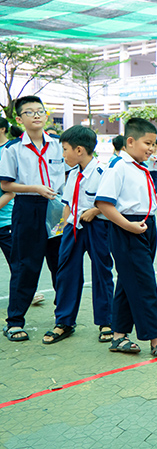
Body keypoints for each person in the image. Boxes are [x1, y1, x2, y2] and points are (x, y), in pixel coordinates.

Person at [95, 118, 157, 361]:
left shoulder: (139, 166)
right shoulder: (118, 166)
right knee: (144, 284)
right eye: (148, 143)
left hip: (145, 227)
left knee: (128, 281)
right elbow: (103, 203)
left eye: (154, 144)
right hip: (127, 229)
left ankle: (118, 335)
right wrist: (128, 226)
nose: (152, 149)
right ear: (130, 141)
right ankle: (155, 340)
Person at [0, 96, 65, 342]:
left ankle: (64, 319)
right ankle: (15, 321)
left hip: (57, 209)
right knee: (25, 265)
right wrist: (35, 188)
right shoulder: (13, 149)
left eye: (40, 111)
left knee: (60, 264)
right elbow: (6, 184)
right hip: (28, 209)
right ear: (19, 119)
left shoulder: (59, 145)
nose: (36, 115)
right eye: (30, 112)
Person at [42, 125, 114, 344]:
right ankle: (64, 321)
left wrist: (95, 211)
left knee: (101, 272)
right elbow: (67, 204)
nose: (63, 155)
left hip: (97, 228)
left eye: (65, 150)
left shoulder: (103, 172)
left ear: (79, 150)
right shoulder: (73, 173)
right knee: (66, 272)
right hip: (73, 228)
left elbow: (113, 202)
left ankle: (107, 322)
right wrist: (65, 227)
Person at [0, 118, 16, 266]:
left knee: (16, 265)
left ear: (2, 129)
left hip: (5, 221)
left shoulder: (10, 150)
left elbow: (11, 191)